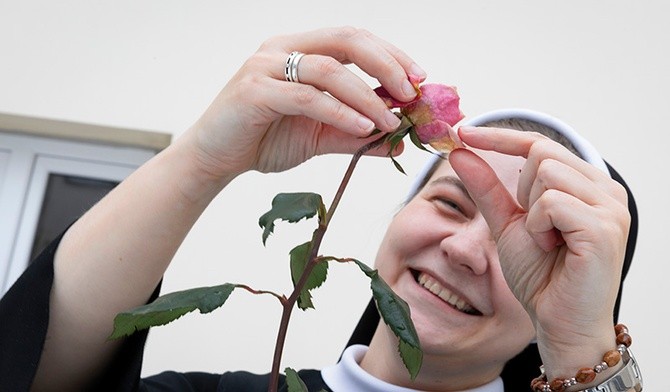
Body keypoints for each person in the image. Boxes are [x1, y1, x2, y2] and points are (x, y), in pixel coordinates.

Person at [0, 27, 641, 391]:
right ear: (398, 214)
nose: (465, 249)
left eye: (520, 241)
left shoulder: (576, 332)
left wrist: (582, 346)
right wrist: (200, 161)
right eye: (449, 203)